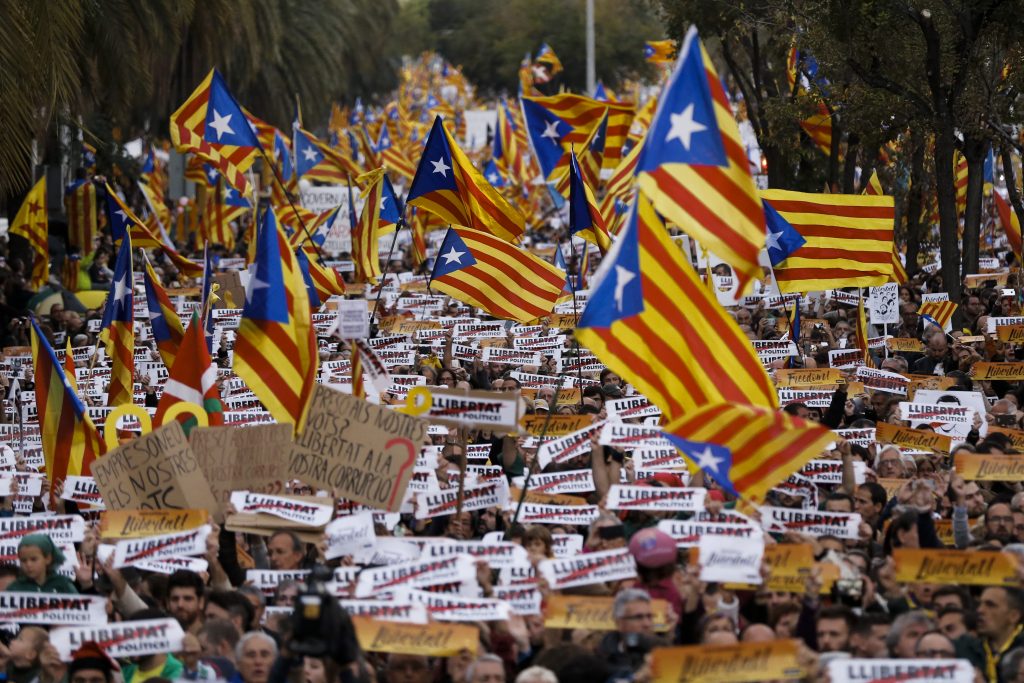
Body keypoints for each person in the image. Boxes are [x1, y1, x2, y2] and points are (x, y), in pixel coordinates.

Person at [6, 535, 77, 593]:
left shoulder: (63, 584)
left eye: (33, 559)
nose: (28, 564)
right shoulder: (15, 588)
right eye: (23, 560)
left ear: (48, 559)